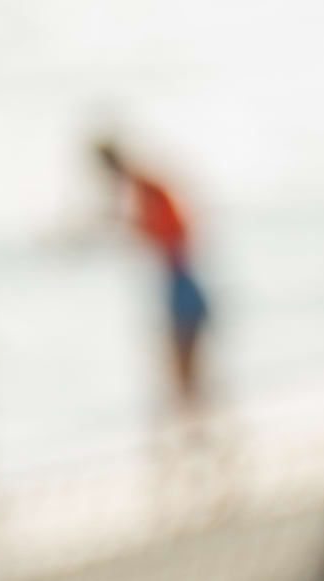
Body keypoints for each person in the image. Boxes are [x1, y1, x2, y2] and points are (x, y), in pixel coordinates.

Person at [93, 136, 211, 415]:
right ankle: (199, 428)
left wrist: (130, 229)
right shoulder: (144, 187)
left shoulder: (145, 188)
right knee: (182, 369)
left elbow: (169, 233)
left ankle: (197, 429)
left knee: (182, 368)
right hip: (180, 278)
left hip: (181, 280)